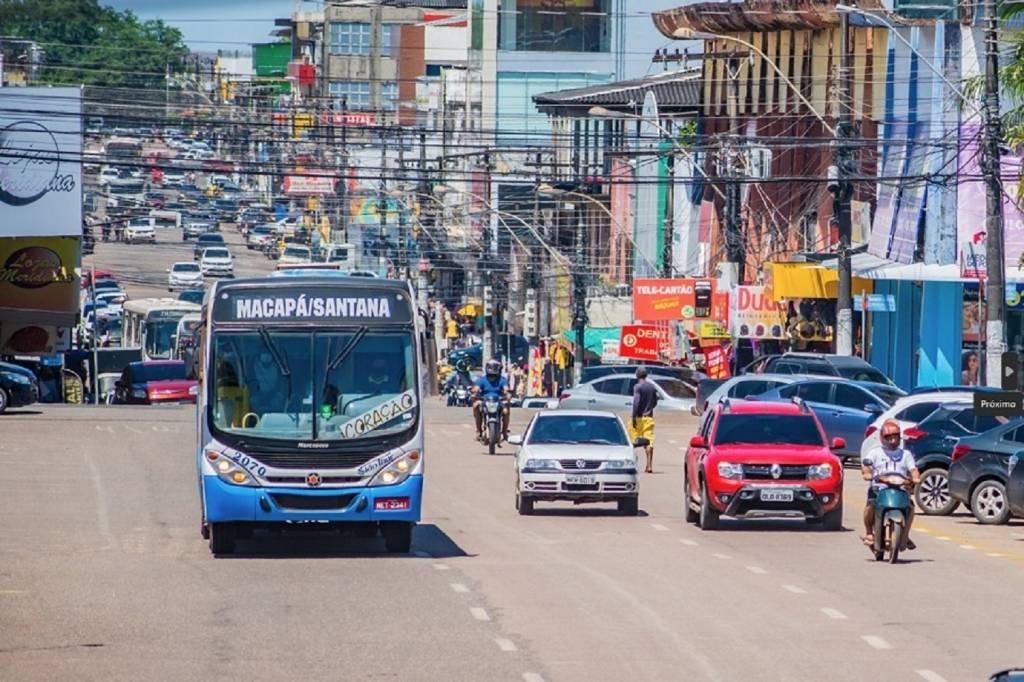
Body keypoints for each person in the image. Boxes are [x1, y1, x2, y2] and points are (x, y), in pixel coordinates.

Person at [861, 419, 921, 550]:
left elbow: (913, 469)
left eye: (895, 437)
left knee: (910, 507)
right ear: (883, 438)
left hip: (900, 487)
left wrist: (916, 477)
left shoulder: (905, 454)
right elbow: (867, 465)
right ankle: (869, 533)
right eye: (889, 438)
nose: (893, 441)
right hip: (879, 487)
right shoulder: (876, 452)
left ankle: (905, 534)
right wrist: (867, 473)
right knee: (871, 505)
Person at [471, 359, 511, 443]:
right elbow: (476, 388)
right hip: (484, 401)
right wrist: (474, 392)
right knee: (475, 406)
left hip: (499, 401)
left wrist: (507, 394)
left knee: (506, 411)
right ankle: (479, 431)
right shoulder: (482, 379)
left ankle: (504, 432)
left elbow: (506, 389)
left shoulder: (502, 380)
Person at [630, 368, 659, 473]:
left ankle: (630, 463)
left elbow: (636, 402)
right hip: (649, 417)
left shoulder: (637, 387)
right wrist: (650, 407)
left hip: (638, 417)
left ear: (637, 375)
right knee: (649, 441)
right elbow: (655, 401)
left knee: (632, 441)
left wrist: (633, 417)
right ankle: (649, 465)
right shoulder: (651, 386)